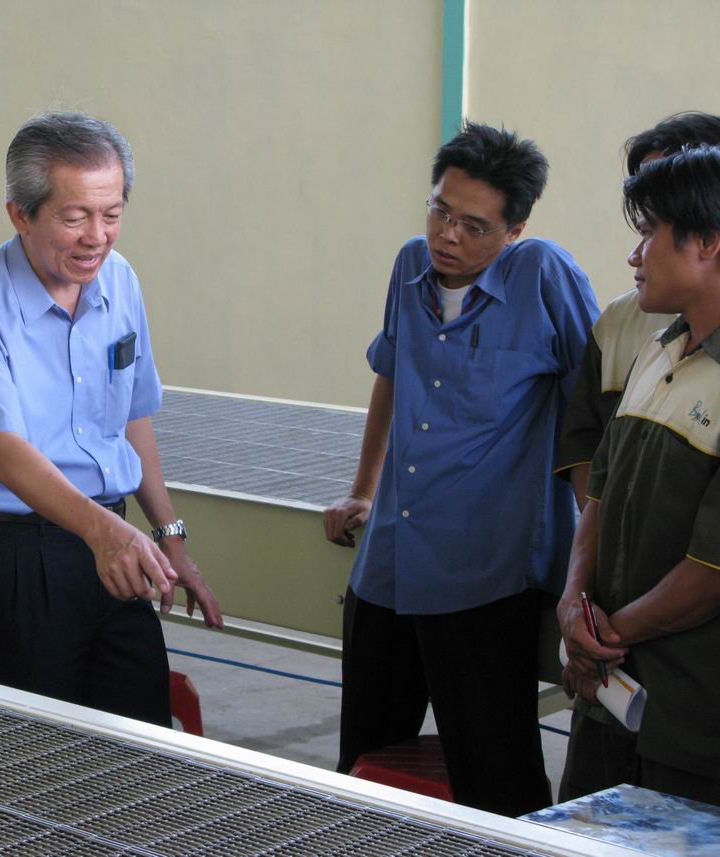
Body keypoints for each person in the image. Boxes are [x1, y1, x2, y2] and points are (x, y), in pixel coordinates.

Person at [323, 121, 598, 816]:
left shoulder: (544, 277)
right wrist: (362, 490)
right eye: (440, 210)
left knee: (494, 774)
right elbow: (391, 375)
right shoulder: (409, 267)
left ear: (515, 230)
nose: (447, 235)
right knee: (362, 764)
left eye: (473, 226)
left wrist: (592, 563)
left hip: (486, 573)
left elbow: (589, 418)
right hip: (390, 562)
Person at [0, 111, 222, 727]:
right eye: (75, 217)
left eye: (112, 214)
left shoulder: (120, 281)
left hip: (112, 545)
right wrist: (104, 534)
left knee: (138, 744)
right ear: (20, 214)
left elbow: (131, 416)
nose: (97, 237)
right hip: (16, 561)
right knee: (26, 758)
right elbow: (5, 452)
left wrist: (169, 536)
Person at [555, 112, 720, 802]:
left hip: (690, 721)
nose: (634, 255)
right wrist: (574, 604)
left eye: (648, 232)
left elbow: (709, 573)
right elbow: (600, 490)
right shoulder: (658, 347)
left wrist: (603, 638)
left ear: (707, 242)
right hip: (608, 698)